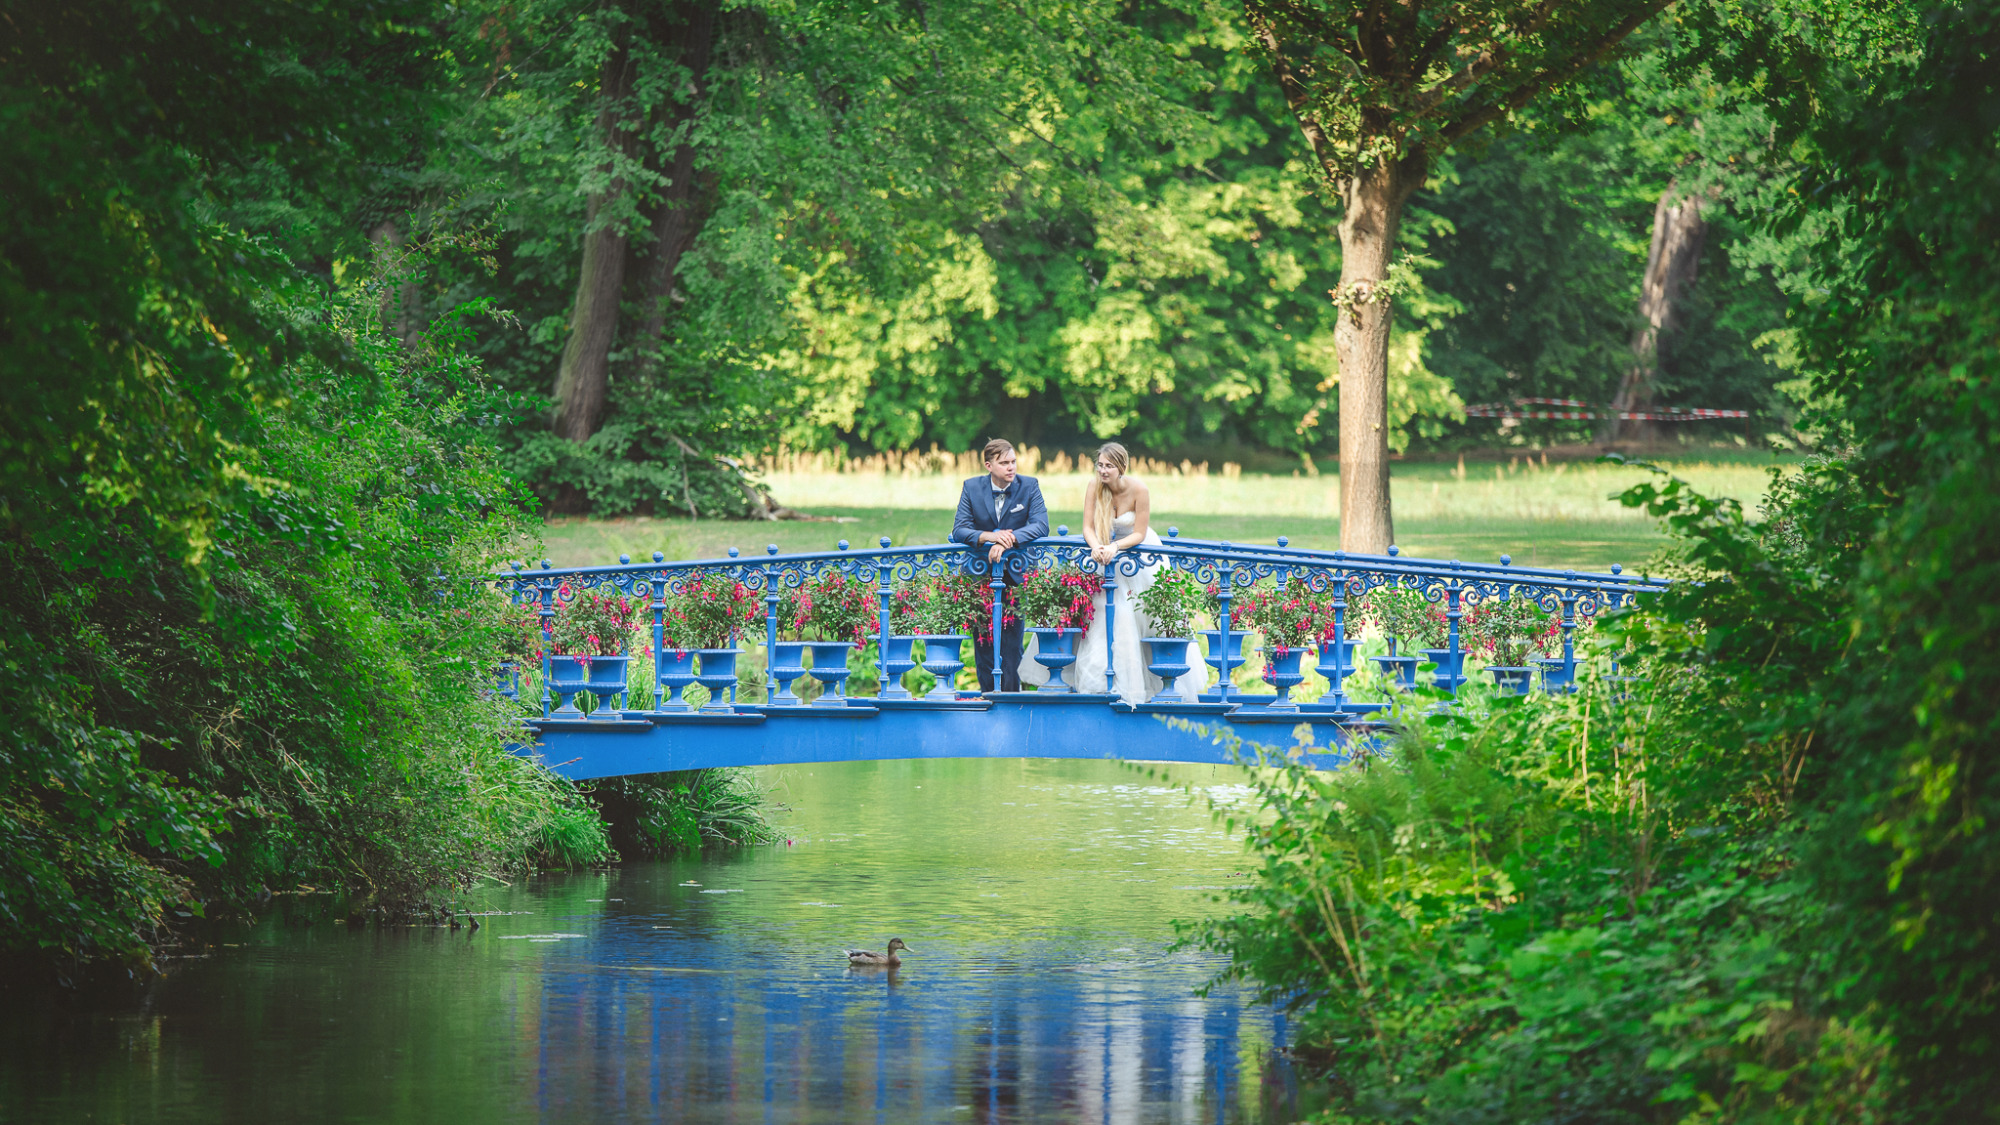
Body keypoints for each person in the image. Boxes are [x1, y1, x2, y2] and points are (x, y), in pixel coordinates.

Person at [1055, 442, 1197, 705]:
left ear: (1121, 468)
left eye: (1108, 466)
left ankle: (1148, 686)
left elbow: (1139, 533)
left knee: (1139, 614)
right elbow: (1087, 526)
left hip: (1135, 554)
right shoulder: (1093, 486)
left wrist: (1115, 547)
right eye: (1100, 465)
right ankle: (1097, 683)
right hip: (1102, 552)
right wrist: (1097, 546)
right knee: (1100, 613)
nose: (1103, 471)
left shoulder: (1139, 490)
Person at [950, 438, 1048, 693]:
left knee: (1012, 643)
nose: (1011, 467)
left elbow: (1040, 525)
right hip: (980, 575)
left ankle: (1012, 699)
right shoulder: (971, 487)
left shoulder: (1029, 486)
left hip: (1015, 575)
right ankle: (987, 697)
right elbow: (960, 529)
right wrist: (989, 536)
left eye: (1013, 461)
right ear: (989, 465)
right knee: (983, 642)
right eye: (1004, 463)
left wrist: (1009, 539)